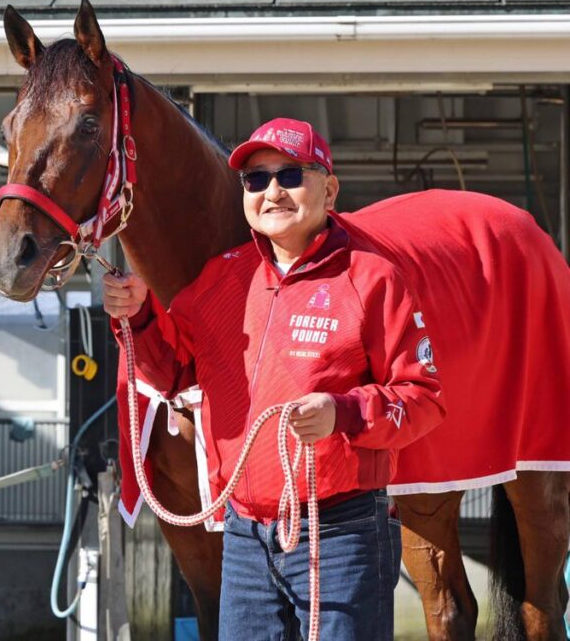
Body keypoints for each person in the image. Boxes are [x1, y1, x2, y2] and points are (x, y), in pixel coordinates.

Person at [103, 118, 446, 640]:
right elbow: (171, 373)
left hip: (341, 532)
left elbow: (422, 397)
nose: (272, 192)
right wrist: (139, 315)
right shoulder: (222, 278)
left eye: (290, 175)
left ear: (329, 189)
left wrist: (344, 413)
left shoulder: (371, 278)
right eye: (256, 179)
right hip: (245, 537)